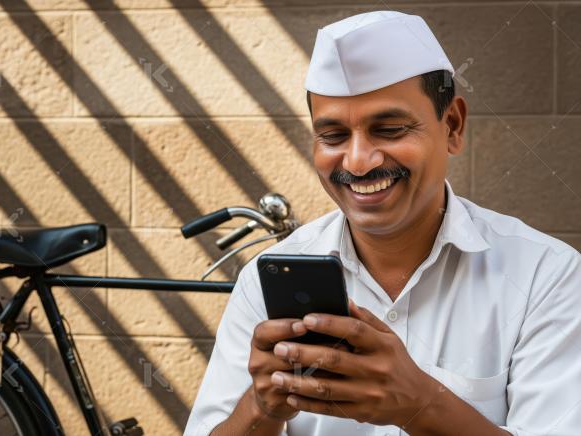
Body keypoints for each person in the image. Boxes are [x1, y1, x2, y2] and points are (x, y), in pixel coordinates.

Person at [185, 10, 581, 436]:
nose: (357, 162)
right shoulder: (266, 278)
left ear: (452, 126)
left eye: (389, 129)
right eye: (333, 136)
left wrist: (418, 405)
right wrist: (262, 408)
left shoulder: (548, 277)